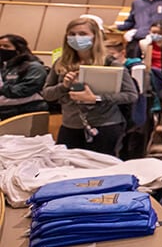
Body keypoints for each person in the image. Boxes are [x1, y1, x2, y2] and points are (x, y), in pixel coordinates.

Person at [41, 16, 138, 155]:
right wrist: (63, 86)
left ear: (95, 37)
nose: (77, 38)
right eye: (72, 34)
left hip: (105, 126)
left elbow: (131, 95)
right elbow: (47, 94)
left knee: (100, 172)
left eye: (82, 34)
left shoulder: (110, 63)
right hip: (70, 126)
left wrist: (96, 98)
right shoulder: (61, 63)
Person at [0, 34, 49, 119]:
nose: (1, 49)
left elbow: (25, 90)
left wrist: (2, 89)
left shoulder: (34, 67)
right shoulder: (6, 66)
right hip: (6, 111)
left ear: (19, 50)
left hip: (26, 112)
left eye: (6, 46)